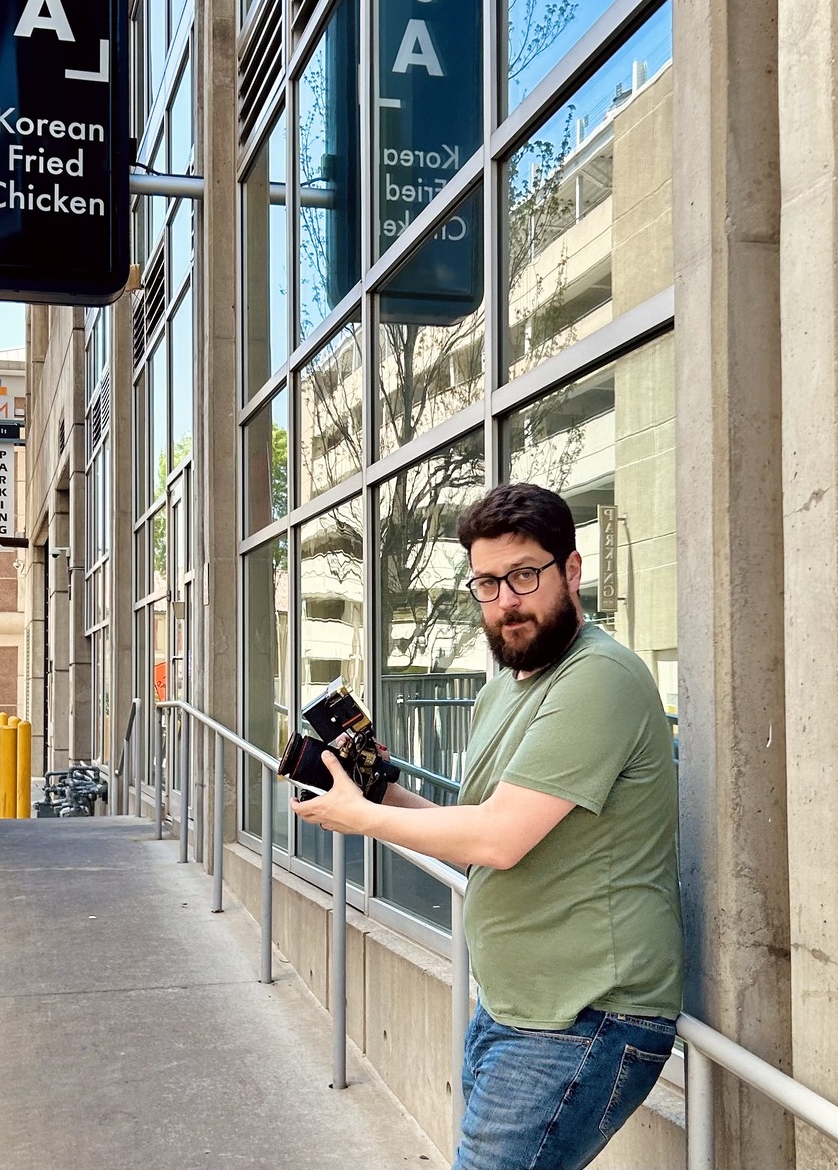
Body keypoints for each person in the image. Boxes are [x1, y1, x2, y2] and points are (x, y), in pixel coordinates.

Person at [291, 481, 683, 1170]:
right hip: (511, 1007)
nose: (507, 601)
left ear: (571, 570)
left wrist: (360, 817)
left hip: (585, 1018)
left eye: (525, 576)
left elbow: (497, 840)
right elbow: (475, 833)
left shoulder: (600, 678)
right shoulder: (503, 687)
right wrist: (381, 793)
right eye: (488, 583)